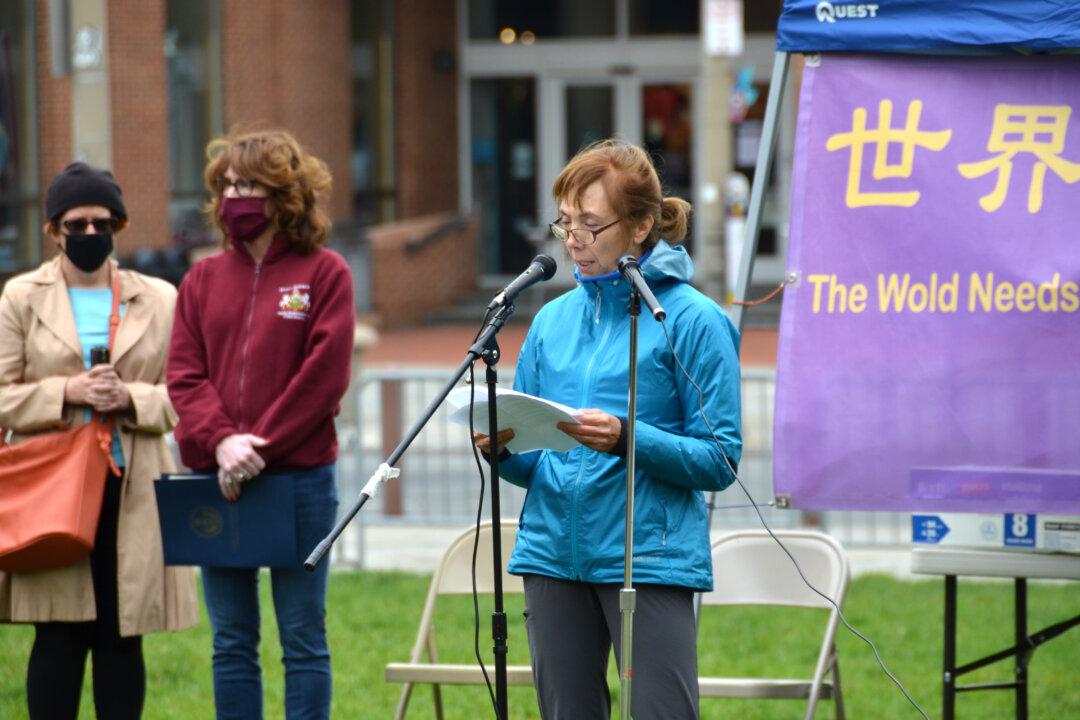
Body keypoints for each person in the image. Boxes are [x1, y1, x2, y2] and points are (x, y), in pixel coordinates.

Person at [475, 139, 742, 719]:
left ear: (643, 224)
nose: (572, 239)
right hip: (551, 555)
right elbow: (538, 457)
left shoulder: (693, 320)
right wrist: (501, 449)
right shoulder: (550, 320)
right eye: (565, 222)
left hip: (646, 557)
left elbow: (720, 459)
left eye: (590, 225)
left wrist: (627, 437)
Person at [167, 129, 355, 720]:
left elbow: (322, 377)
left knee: (302, 641)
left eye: (246, 184)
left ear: (283, 193)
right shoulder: (199, 281)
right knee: (230, 644)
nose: (232, 196)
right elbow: (184, 374)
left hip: (298, 482)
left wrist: (258, 447)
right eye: (224, 185)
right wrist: (223, 442)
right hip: (216, 479)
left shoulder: (325, 274)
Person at [0, 162, 198, 719]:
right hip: (52, 486)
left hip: (131, 487)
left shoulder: (160, 297)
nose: (90, 235)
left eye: (103, 223)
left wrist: (129, 399)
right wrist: (69, 390)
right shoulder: (20, 297)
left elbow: (181, 394)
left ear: (119, 225)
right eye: (77, 224)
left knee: (122, 634)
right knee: (59, 635)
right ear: (53, 230)